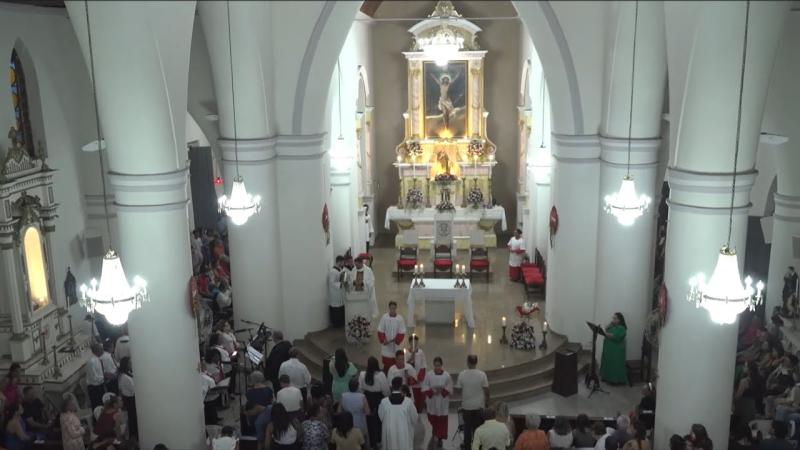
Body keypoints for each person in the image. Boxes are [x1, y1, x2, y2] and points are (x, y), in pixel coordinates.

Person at [456, 354, 489, 450]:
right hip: (479, 407)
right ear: (476, 362)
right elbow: (487, 390)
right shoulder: (482, 374)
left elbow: (458, 390)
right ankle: (478, 447)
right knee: (478, 430)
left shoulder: (462, 374)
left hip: (466, 407)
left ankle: (467, 447)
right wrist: (487, 402)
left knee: (467, 429)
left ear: (467, 362)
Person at [378, 377, 418, 450]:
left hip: (390, 432)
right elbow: (414, 418)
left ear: (392, 387)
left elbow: (381, 417)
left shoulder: (384, 402)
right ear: (400, 387)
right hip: (404, 432)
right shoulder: (408, 401)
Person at [421, 356, 452, 447]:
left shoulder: (446, 375)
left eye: (438, 365)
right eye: (435, 365)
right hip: (432, 402)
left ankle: (439, 438)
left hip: (442, 402)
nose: (437, 367)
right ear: (433, 365)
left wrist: (442, 391)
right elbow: (424, 387)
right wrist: (433, 391)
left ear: (441, 365)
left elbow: (449, 388)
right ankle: (435, 433)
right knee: (433, 419)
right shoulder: (429, 375)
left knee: (442, 421)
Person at [359, 356, 389, 449]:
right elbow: (386, 391)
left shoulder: (362, 374)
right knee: (378, 421)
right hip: (378, 400)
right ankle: (379, 440)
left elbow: (360, 389)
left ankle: (372, 443)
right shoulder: (381, 376)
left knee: (369, 421)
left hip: (367, 399)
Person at [339, 378, 370, 447]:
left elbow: (339, 411)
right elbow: (367, 412)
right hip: (360, 421)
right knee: (360, 441)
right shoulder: (362, 397)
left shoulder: (343, 396)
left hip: (346, 421)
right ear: (357, 387)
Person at [377, 301, 407, 371]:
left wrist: (396, 340)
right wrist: (383, 340)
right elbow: (380, 330)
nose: (392, 310)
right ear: (389, 308)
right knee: (387, 364)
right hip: (386, 345)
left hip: (395, 345)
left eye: (394, 308)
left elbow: (402, 332)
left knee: (396, 361)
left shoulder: (400, 319)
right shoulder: (384, 317)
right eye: (391, 308)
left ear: (396, 308)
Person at [600, 313, 628, 385]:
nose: (613, 320)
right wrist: (608, 326)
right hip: (609, 350)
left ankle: (615, 380)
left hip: (616, 351)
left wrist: (604, 333)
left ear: (619, 320)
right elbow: (606, 329)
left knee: (614, 365)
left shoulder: (622, 328)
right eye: (613, 318)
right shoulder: (612, 326)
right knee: (607, 363)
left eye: (615, 318)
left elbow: (615, 336)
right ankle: (606, 377)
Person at [118, 356, 137, 438]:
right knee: (133, 419)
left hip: (130, 399)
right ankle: (134, 436)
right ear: (126, 365)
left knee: (134, 418)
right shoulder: (125, 378)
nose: (131, 364)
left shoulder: (128, 373)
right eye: (129, 363)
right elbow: (134, 390)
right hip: (130, 400)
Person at [407, 334, 427, 412]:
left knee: (420, 400)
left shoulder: (421, 352)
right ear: (409, 343)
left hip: (419, 381)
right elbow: (406, 365)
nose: (414, 345)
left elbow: (423, 366)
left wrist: (419, 379)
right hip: (411, 381)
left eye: (416, 343)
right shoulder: (406, 353)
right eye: (412, 343)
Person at [328, 255, 347, 328]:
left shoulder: (340, 269)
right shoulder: (333, 271)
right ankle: (336, 324)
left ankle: (341, 323)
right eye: (342, 262)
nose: (343, 263)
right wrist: (341, 284)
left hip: (340, 293)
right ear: (339, 262)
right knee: (336, 309)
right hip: (335, 294)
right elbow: (331, 282)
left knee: (340, 307)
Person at [86, 343, 106, 409]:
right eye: (101, 349)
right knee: (97, 406)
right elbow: (94, 378)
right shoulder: (91, 362)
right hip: (94, 388)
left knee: (103, 404)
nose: (103, 351)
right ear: (97, 351)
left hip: (100, 385)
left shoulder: (98, 358)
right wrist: (105, 377)